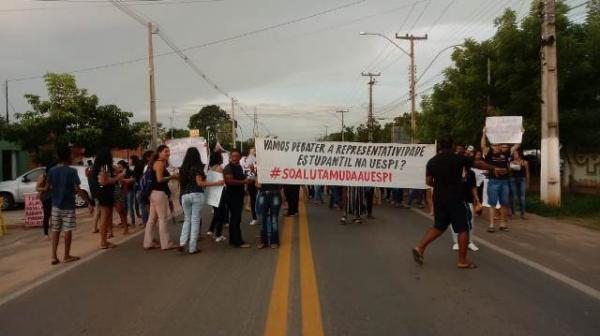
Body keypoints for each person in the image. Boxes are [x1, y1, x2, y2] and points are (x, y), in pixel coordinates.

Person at [412, 136, 500, 269]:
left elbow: (428, 181)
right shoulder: (459, 158)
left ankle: (419, 248)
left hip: (439, 197)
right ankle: (462, 260)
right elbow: (478, 164)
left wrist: (441, 184)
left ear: (440, 147)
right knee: (463, 228)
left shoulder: (432, 161)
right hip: (455, 197)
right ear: (452, 146)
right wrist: (493, 168)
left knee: (439, 226)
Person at [47, 145, 93, 265]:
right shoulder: (72, 171)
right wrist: (88, 203)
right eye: (71, 154)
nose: (73, 156)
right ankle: (66, 255)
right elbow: (77, 189)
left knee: (55, 230)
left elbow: (48, 188)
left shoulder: (52, 170)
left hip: (55, 205)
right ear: (68, 156)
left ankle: (53, 256)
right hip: (68, 205)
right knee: (68, 229)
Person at [178, 147, 224, 254]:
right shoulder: (197, 168)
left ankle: (182, 243)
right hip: (196, 194)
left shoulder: (182, 168)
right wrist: (216, 183)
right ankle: (192, 247)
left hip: (184, 195)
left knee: (187, 220)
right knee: (195, 221)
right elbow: (200, 183)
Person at [481, 128, 519, 232]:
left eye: (499, 145)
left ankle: (503, 223)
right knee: (492, 203)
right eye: (495, 145)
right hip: (493, 181)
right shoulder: (489, 154)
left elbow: (516, 145)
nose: (497, 147)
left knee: (504, 203)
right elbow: (483, 146)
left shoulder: (506, 153)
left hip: (505, 182)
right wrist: (484, 134)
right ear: (492, 146)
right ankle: (492, 224)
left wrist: (521, 133)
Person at [144, 145, 178, 250]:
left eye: (168, 151)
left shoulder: (154, 163)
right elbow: (159, 179)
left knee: (151, 219)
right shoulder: (160, 163)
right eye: (165, 151)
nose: (168, 153)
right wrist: (172, 176)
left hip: (153, 193)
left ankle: (148, 242)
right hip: (159, 193)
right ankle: (166, 244)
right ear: (159, 153)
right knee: (162, 219)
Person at [91, 148, 124, 249]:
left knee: (105, 217)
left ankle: (104, 241)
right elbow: (103, 182)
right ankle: (103, 242)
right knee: (105, 218)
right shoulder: (104, 166)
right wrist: (117, 178)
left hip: (102, 194)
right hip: (105, 194)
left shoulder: (97, 167)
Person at [223, 149, 252, 248]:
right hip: (232, 196)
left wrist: (248, 180)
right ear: (230, 157)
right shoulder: (228, 168)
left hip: (239, 196)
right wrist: (243, 182)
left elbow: (242, 177)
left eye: (237, 156)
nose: (235, 158)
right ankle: (238, 242)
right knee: (235, 219)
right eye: (233, 156)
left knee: (235, 219)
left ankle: (233, 240)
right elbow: (229, 181)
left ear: (240, 157)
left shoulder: (238, 167)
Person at [450, 166, 480, 252]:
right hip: (455, 201)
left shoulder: (471, 173)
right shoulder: (452, 172)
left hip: (468, 201)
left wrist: (477, 199)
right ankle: (456, 242)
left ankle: (469, 242)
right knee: (455, 222)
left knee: (470, 222)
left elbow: (473, 187)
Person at [207, 151, 228, 242]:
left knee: (216, 213)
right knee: (221, 213)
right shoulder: (219, 168)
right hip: (220, 192)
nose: (222, 158)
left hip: (212, 192)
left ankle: (211, 230)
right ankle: (218, 234)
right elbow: (223, 181)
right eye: (221, 156)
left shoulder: (210, 168)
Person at [256, 179, 282, 249]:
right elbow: (257, 184)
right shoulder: (260, 169)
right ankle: (263, 241)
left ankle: (274, 241)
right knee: (262, 219)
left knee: (274, 219)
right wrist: (258, 184)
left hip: (275, 193)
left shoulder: (278, 168)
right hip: (263, 194)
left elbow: (282, 181)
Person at [36, 162, 56, 240]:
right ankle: (46, 234)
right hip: (46, 198)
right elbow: (37, 188)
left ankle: (55, 232)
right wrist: (45, 188)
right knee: (47, 215)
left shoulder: (55, 176)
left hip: (54, 197)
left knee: (55, 215)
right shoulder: (43, 176)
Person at [510, 150, 529, 219]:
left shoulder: (525, 162)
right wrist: (511, 166)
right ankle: (513, 213)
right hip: (513, 180)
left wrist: (527, 182)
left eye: (516, 154)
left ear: (519, 154)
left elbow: (527, 173)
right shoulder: (511, 162)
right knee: (514, 197)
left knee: (522, 197)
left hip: (522, 180)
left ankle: (523, 214)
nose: (514, 155)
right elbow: (509, 172)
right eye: (514, 154)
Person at [114, 160, 131, 235]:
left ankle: (125, 227)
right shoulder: (104, 168)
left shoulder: (114, 168)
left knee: (120, 210)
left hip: (117, 191)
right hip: (111, 191)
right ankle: (111, 232)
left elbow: (120, 180)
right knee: (117, 210)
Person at [138, 150, 154, 226]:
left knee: (151, 214)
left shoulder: (147, 167)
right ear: (148, 158)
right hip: (147, 193)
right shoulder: (147, 167)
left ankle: (147, 226)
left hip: (145, 192)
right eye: (153, 155)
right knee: (151, 215)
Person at [244, 148, 259, 226]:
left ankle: (262, 216)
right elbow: (246, 172)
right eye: (252, 151)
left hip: (260, 183)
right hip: (251, 182)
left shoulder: (260, 159)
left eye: (255, 151)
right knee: (253, 200)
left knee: (260, 200)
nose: (254, 152)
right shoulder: (247, 160)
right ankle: (254, 218)